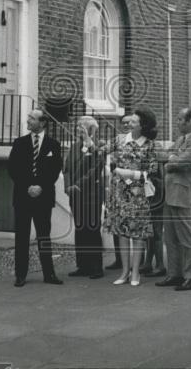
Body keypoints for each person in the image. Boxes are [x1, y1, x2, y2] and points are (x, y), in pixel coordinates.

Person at [8, 109, 64, 286]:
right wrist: (28, 187)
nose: (28, 120)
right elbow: (13, 168)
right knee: (22, 236)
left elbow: (55, 170)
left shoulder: (53, 144)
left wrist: (41, 186)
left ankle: (49, 274)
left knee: (44, 236)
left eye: (32, 118)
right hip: (23, 196)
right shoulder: (19, 143)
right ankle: (20, 275)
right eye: (28, 117)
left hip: (43, 197)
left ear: (42, 123)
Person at [103, 110, 158, 286]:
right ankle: (125, 271)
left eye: (134, 122)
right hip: (119, 191)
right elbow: (99, 150)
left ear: (142, 126)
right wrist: (88, 140)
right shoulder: (119, 139)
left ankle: (135, 272)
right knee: (122, 232)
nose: (129, 124)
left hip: (138, 193)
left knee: (138, 232)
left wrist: (127, 173)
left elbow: (153, 170)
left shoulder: (149, 145)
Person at [157, 108, 191, 292]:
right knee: (170, 237)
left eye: (180, 119)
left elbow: (180, 162)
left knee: (187, 237)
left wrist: (171, 159)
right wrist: (171, 158)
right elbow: (164, 156)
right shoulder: (181, 140)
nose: (177, 122)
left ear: (190, 121)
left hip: (183, 193)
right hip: (170, 193)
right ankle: (174, 273)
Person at [63, 115, 106, 279]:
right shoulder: (73, 147)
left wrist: (78, 185)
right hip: (75, 195)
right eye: (77, 126)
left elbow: (96, 167)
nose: (77, 129)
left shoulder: (99, 146)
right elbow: (66, 168)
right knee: (80, 228)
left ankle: (96, 267)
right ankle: (83, 265)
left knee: (92, 228)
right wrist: (67, 186)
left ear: (91, 129)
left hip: (91, 194)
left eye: (81, 126)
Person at [106, 114, 135, 271]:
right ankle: (119, 259)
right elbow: (104, 152)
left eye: (129, 122)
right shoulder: (117, 139)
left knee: (132, 224)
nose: (126, 125)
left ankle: (137, 262)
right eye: (123, 123)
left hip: (133, 187)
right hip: (116, 186)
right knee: (116, 223)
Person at [141, 143, 167, 278]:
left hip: (157, 195)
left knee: (157, 230)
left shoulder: (157, 150)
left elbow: (162, 177)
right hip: (148, 194)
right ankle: (148, 262)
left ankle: (160, 265)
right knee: (149, 231)